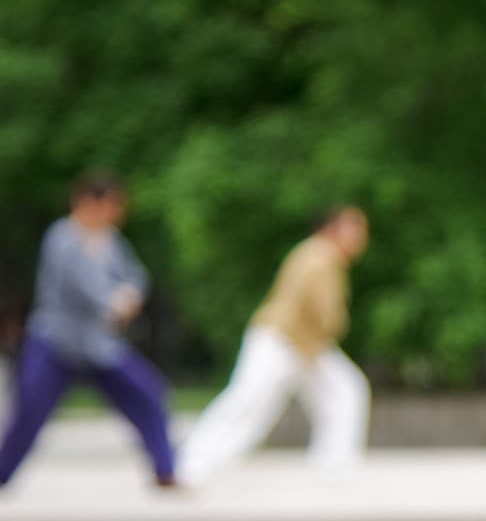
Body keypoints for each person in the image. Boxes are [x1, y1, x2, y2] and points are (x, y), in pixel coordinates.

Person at [0, 173, 176, 488]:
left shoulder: (111, 240)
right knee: (29, 410)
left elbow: (136, 276)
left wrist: (132, 294)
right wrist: (115, 302)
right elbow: (80, 284)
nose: (117, 213)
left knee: (148, 392)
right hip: (56, 342)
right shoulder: (62, 237)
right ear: (88, 202)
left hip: (98, 345)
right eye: (112, 205)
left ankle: (166, 469)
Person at [176, 206, 372, 487]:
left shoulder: (318, 255)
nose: (360, 237)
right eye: (355, 228)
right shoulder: (320, 256)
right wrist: (331, 326)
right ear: (333, 228)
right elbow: (320, 310)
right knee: (248, 404)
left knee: (345, 390)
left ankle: (335, 466)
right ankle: (190, 463)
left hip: (304, 345)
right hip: (281, 342)